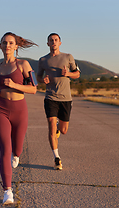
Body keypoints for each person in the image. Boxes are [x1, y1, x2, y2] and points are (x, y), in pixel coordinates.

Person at [0, 32, 37, 205]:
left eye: (11, 43)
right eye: (4, 43)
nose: (7, 45)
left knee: (17, 149)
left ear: (16, 46)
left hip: (20, 111)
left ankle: (17, 155)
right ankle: (7, 191)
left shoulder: (24, 64)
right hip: (1, 110)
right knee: (4, 149)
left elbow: (34, 89)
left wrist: (15, 85)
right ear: (0, 46)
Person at [37, 33, 80, 170]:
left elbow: (77, 74)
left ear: (60, 43)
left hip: (66, 99)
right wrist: (42, 80)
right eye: (51, 40)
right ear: (48, 43)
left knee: (64, 130)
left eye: (56, 40)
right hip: (50, 97)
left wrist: (68, 74)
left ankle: (58, 129)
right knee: (50, 124)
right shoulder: (43, 60)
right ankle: (57, 158)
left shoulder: (68, 57)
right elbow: (38, 76)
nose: (53, 42)